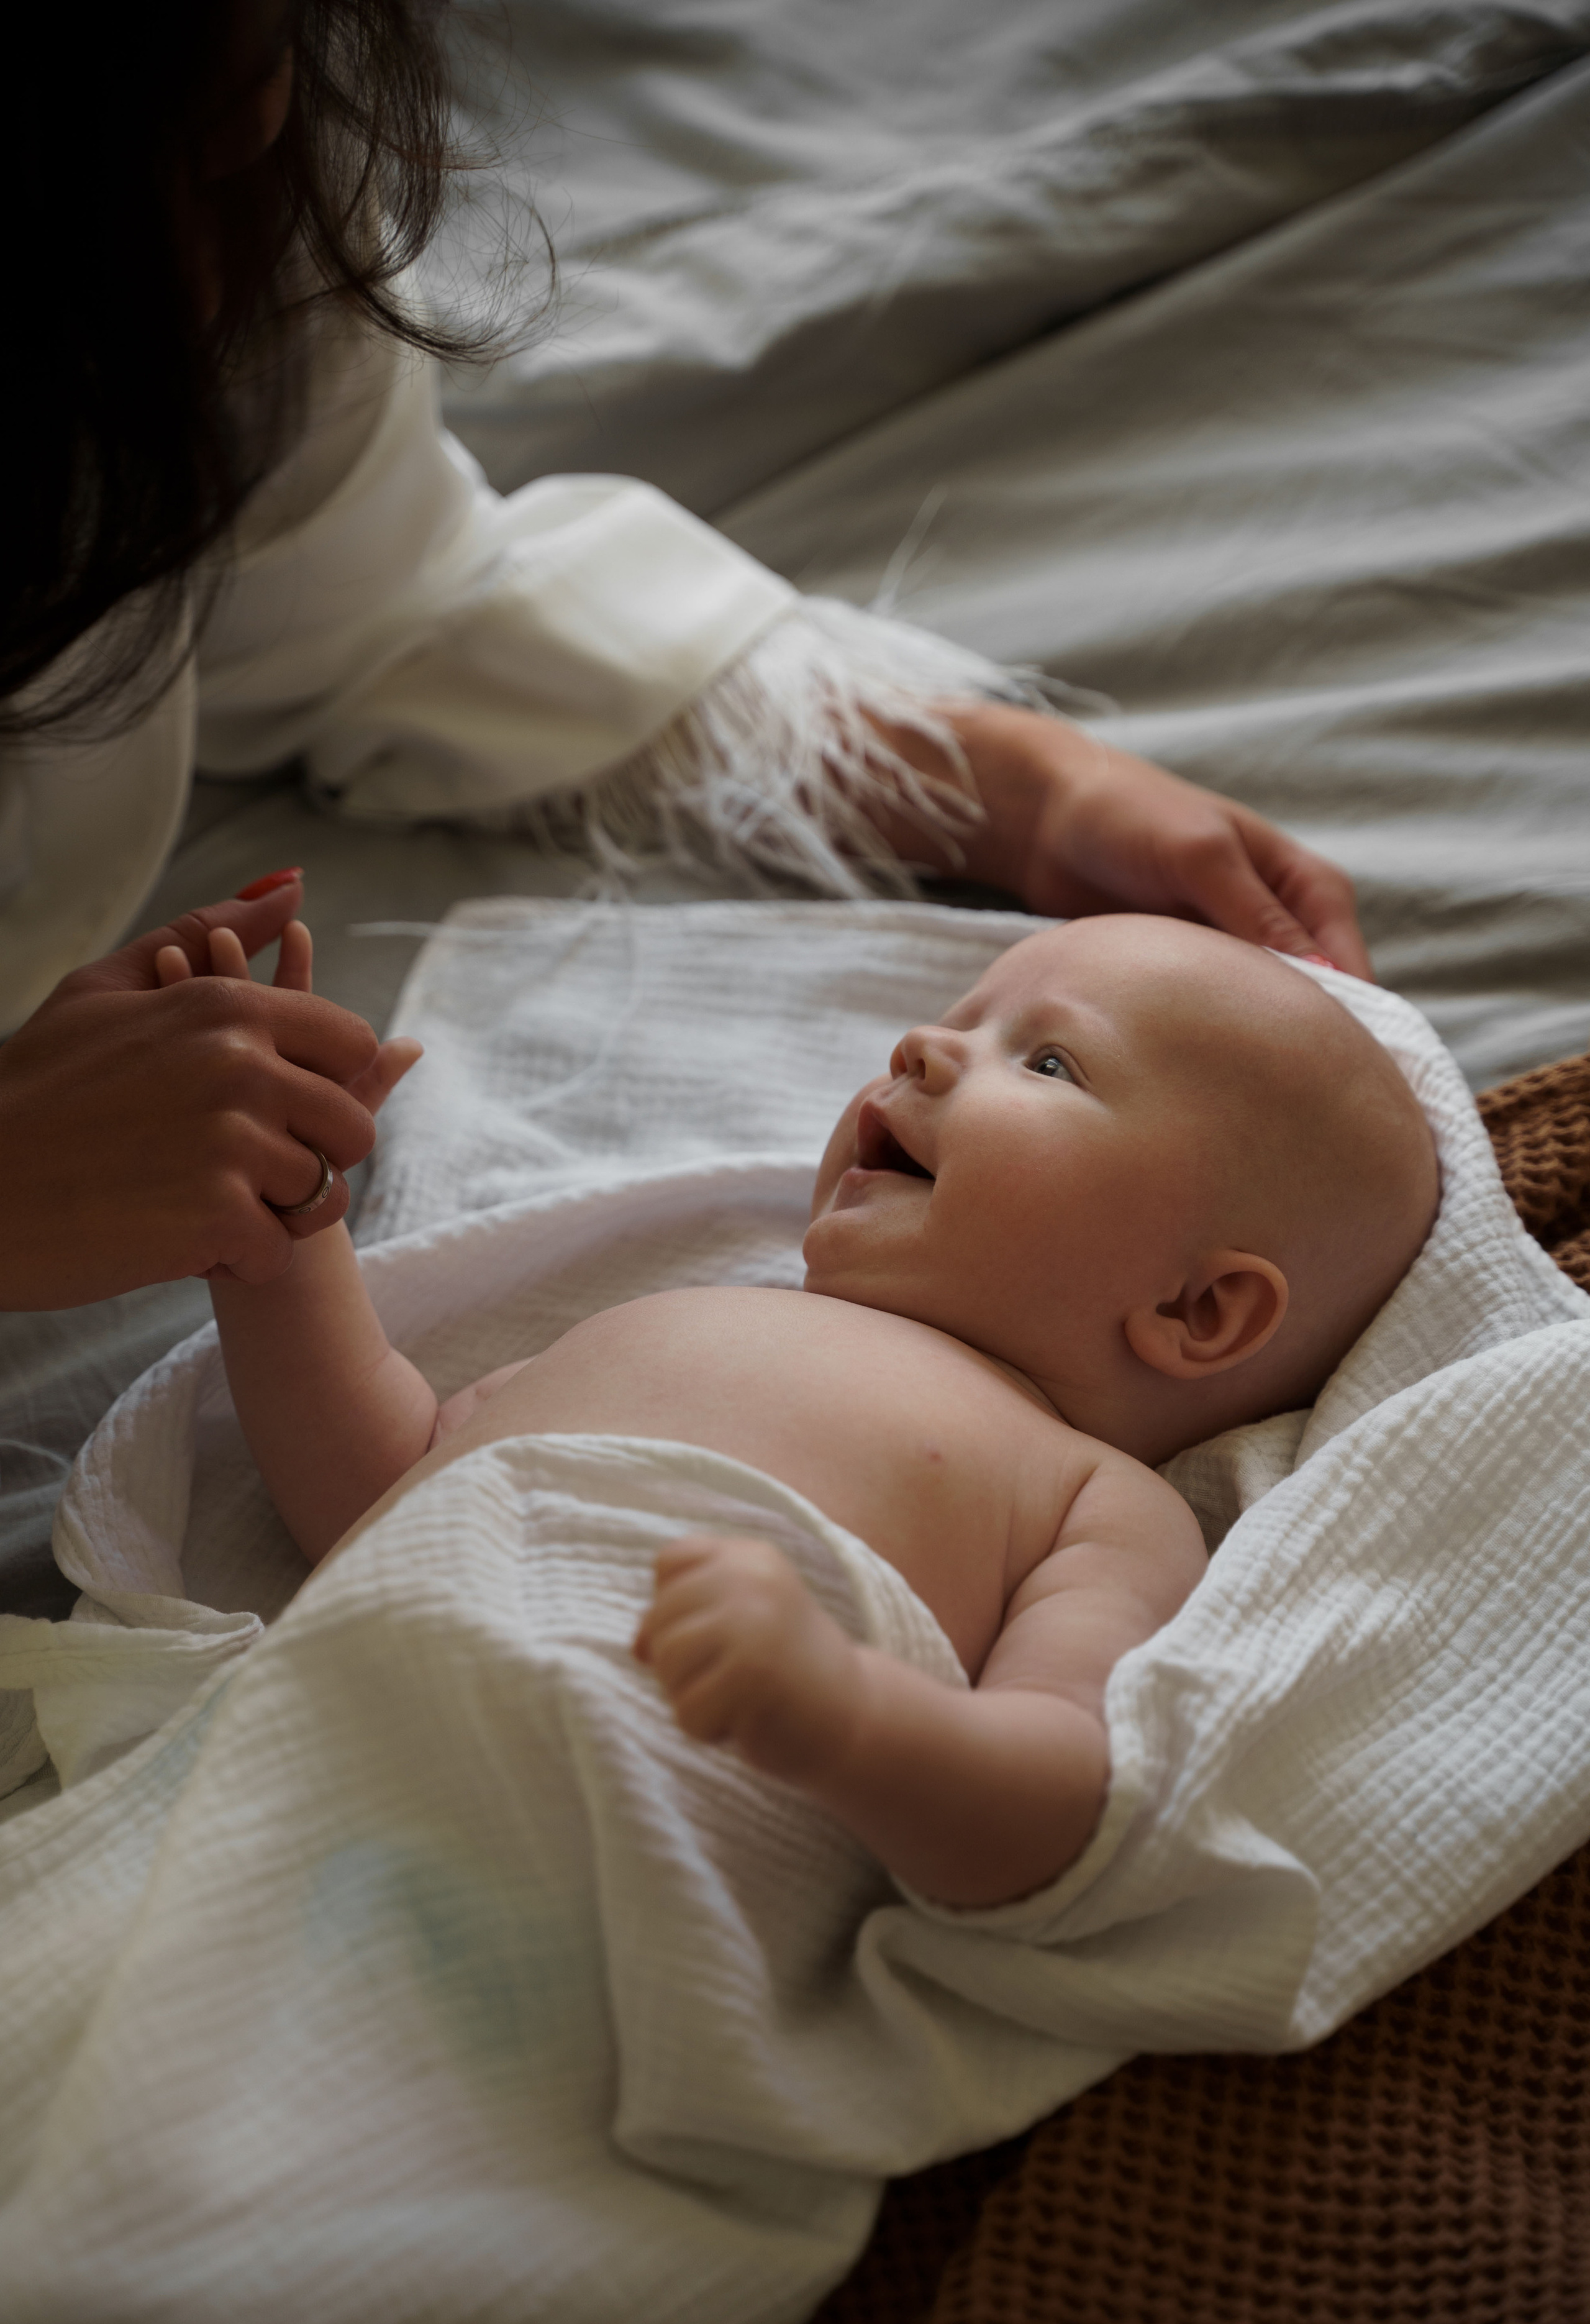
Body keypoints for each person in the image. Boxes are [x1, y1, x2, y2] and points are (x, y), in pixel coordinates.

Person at [0, 0, 1370, 1316]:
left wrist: (1001, 782)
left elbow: (356, 596)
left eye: (1051, 1056)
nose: (919, 1047)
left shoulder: (237, 184)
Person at [178, 904, 1437, 1910]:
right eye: (956, 1019)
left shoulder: (1095, 1502)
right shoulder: (681, 1316)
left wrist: (843, 1716)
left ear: (1195, 1310)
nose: (920, 1049)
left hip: (594, 1861)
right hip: (307, 1755)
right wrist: (286, 1234)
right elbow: (379, 1489)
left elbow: (1055, 1804)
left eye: (1046, 1059)